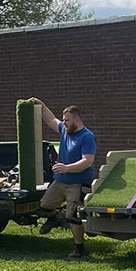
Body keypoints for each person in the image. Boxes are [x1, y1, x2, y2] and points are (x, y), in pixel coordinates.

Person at [29, 98, 96, 259]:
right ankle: (54, 218)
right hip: (60, 181)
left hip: (78, 183)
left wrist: (67, 167)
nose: (64, 123)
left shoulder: (87, 137)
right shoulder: (65, 130)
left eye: (67, 120)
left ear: (77, 119)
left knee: (73, 216)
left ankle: (79, 249)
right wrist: (40, 104)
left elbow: (88, 161)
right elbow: (51, 119)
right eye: (63, 120)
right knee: (44, 207)